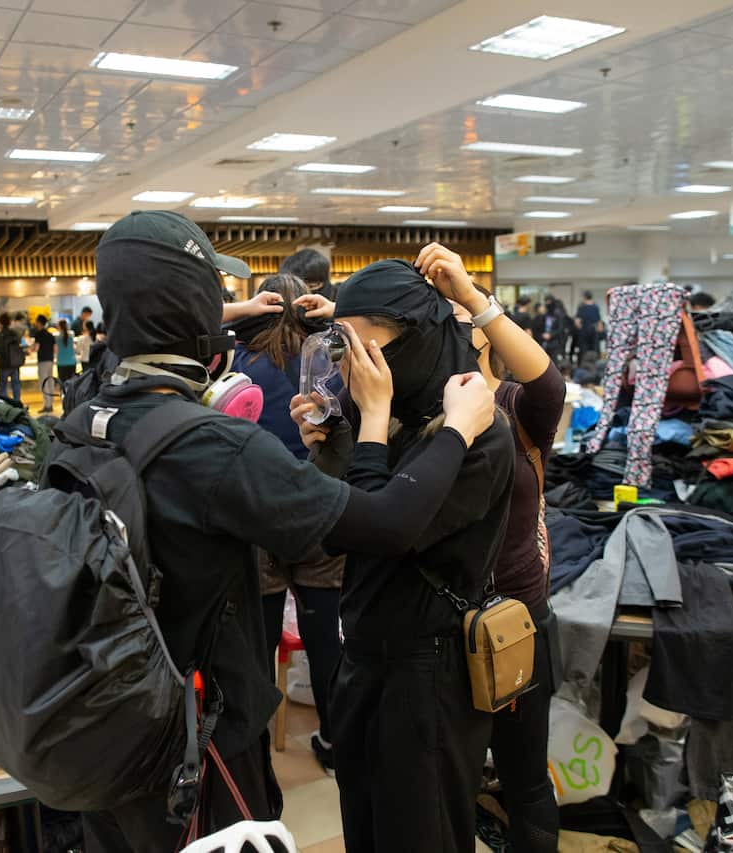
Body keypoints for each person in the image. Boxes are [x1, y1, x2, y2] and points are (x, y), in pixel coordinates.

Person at [75, 211, 497, 852]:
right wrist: (436, 425)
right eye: (212, 292)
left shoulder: (88, 410)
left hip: (119, 712)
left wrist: (216, 319)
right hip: (201, 732)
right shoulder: (215, 446)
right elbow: (384, 523)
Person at [290, 258, 515, 853]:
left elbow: (381, 529)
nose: (353, 365)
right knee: (365, 819)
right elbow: (332, 531)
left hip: (429, 673)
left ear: (415, 337)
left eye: (368, 347)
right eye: (345, 348)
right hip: (365, 652)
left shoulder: (479, 431)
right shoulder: (397, 419)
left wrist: (367, 426)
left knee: (422, 831)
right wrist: (329, 443)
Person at [419, 244, 565, 853]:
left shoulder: (514, 406)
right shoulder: (421, 414)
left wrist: (473, 298)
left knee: (524, 780)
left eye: (467, 331)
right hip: (442, 630)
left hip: (518, 621)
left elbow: (547, 381)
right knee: (445, 787)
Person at [228, 273, 344, 776]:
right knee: (327, 641)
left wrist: (237, 309)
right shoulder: (330, 362)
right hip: (322, 511)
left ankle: (251, 757)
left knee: (261, 643)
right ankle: (339, 744)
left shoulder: (237, 365)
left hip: (258, 515)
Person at [0, 313, 25, 400]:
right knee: (16, 385)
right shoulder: (14, 334)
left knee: (3, 387)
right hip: (14, 363)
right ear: (9, 322)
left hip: (3, 364)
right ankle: (17, 404)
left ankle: (5, 406)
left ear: (0, 323)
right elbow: (19, 344)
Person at [32, 314, 57, 413]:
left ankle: (47, 405)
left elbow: (36, 348)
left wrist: (31, 349)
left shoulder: (38, 334)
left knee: (44, 382)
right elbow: (55, 349)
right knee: (50, 382)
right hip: (50, 360)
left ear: (39, 322)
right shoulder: (50, 334)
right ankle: (51, 403)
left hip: (42, 360)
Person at [574, 291, 603, 366]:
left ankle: (584, 365)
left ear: (584, 297)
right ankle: (595, 365)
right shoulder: (595, 307)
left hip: (585, 330)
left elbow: (577, 321)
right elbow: (599, 322)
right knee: (594, 349)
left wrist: (580, 328)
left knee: (583, 349)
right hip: (593, 330)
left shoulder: (581, 307)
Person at [55, 318, 77, 386]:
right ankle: (72, 396)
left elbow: (55, 349)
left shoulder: (57, 337)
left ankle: (64, 395)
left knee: (63, 383)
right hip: (71, 361)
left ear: (59, 326)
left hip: (61, 362)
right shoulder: (72, 334)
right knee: (72, 383)